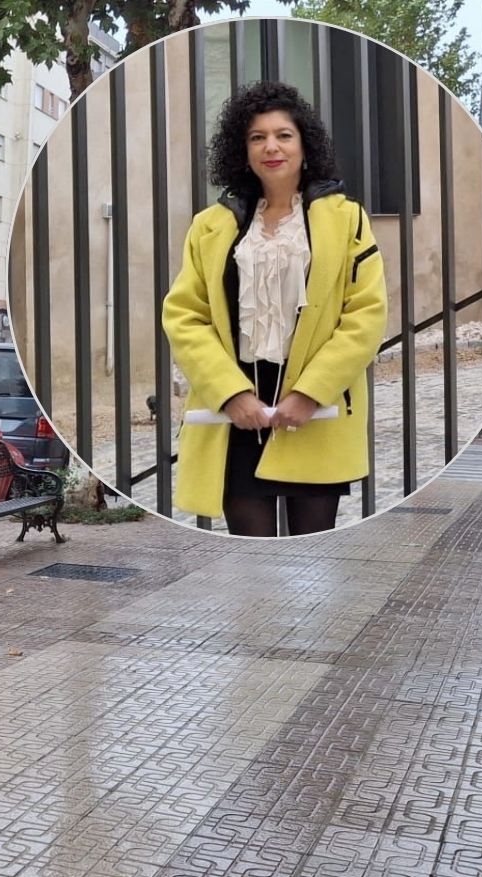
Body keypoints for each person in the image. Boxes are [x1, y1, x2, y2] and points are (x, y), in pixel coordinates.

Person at [163, 81, 386, 537]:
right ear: (241, 149)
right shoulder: (209, 226)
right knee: (250, 561)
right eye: (257, 137)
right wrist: (230, 393)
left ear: (304, 144)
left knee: (316, 552)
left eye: (284, 135)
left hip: (314, 409)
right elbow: (184, 315)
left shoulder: (349, 220)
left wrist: (311, 392)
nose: (271, 147)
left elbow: (366, 315)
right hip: (235, 412)